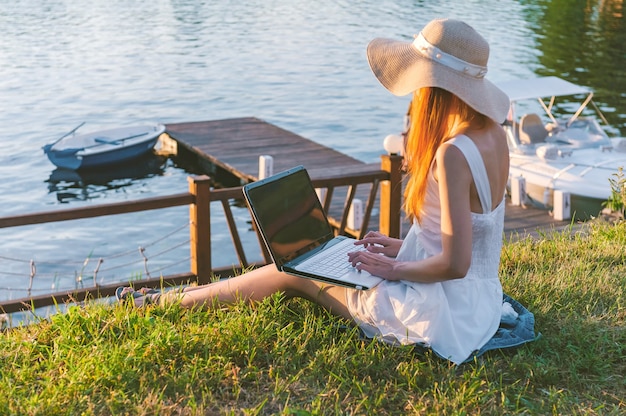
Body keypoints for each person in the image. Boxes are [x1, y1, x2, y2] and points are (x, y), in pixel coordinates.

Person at [117, 18, 511, 365]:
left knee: (294, 273)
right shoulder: (493, 135)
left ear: (431, 87)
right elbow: (471, 240)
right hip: (476, 306)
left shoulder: (450, 153)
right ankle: (179, 294)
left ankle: (156, 303)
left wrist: (392, 269)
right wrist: (399, 247)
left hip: (438, 317)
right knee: (309, 262)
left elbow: (455, 264)